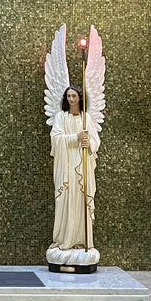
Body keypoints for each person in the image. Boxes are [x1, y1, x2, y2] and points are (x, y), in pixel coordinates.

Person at [50, 85, 98, 251]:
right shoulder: (61, 117)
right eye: (68, 96)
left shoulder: (87, 118)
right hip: (67, 166)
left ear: (80, 98)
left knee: (80, 201)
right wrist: (74, 138)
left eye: (74, 96)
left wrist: (88, 143)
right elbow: (55, 139)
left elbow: (96, 141)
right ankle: (63, 237)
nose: (71, 99)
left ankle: (80, 239)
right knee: (65, 201)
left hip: (82, 165)